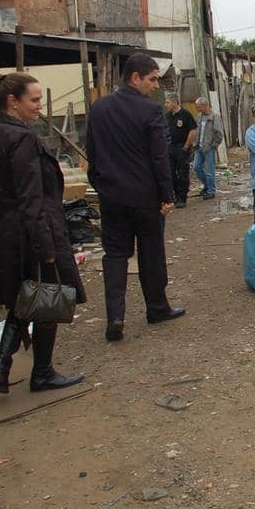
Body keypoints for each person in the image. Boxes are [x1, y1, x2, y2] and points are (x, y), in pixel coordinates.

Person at [0, 72, 85, 394]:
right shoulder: (21, 138)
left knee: (24, 296)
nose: (39, 107)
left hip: (4, 231)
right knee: (46, 298)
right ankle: (41, 372)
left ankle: (2, 362)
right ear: (14, 101)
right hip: (29, 231)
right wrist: (46, 246)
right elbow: (30, 197)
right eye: (34, 100)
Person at [86, 53, 185, 342]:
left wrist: (101, 183)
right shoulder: (150, 111)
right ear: (135, 78)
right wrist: (167, 195)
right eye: (152, 79)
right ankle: (157, 307)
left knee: (115, 255)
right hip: (145, 198)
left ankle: (115, 316)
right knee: (151, 252)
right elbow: (159, 157)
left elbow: (91, 153)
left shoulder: (99, 108)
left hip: (112, 197)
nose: (155, 86)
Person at [163, 92, 197, 207]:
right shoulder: (166, 116)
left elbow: (193, 131)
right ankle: (176, 195)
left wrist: (186, 146)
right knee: (171, 173)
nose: (166, 104)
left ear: (174, 102)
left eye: (167, 102)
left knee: (183, 173)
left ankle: (182, 198)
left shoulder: (185, 114)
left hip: (182, 147)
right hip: (169, 148)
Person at [193, 96, 224, 200]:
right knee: (196, 167)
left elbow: (219, 134)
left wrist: (213, 145)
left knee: (209, 171)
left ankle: (211, 191)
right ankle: (207, 186)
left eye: (199, 107)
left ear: (206, 106)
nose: (198, 109)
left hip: (209, 148)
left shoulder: (215, 117)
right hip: (199, 147)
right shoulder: (199, 116)